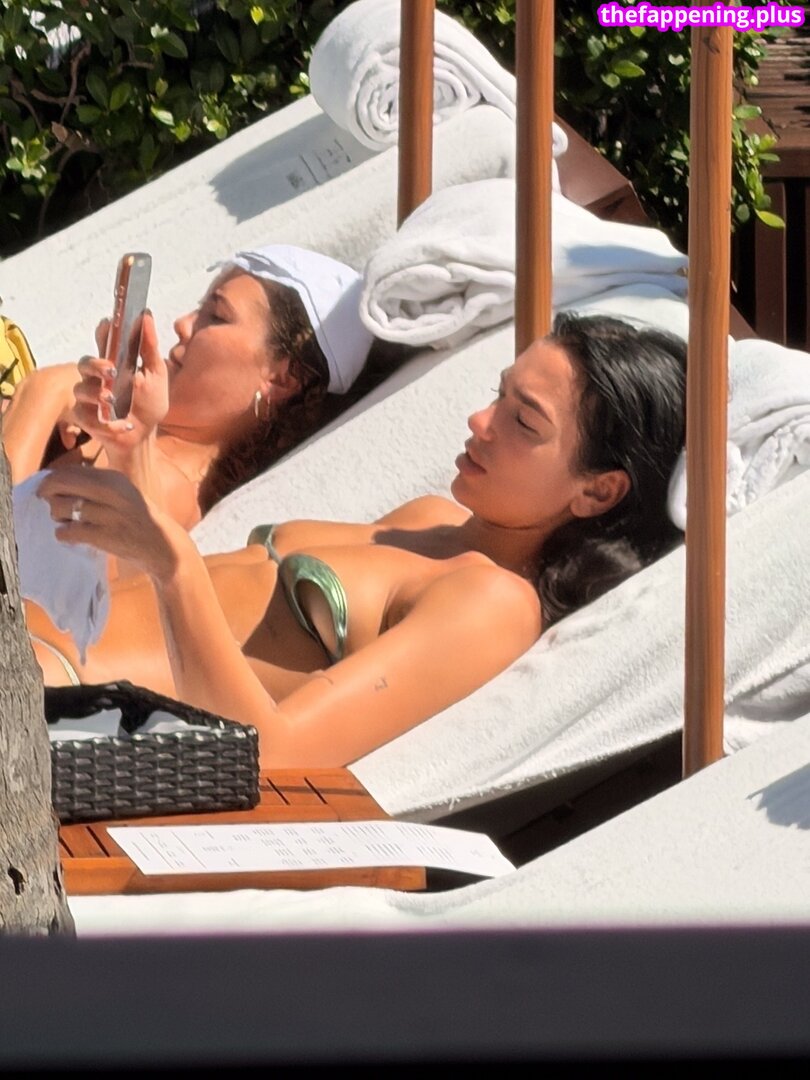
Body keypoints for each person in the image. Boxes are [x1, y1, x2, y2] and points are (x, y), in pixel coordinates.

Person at [28, 312, 687, 770]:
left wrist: (178, 568)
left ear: (597, 492)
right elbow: (145, 592)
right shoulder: (427, 519)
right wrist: (135, 445)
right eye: (499, 394)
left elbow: (275, 754)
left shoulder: (493, 604)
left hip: (56, 703)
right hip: (33, 637)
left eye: (523, 421)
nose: (480, 420)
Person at [5, 245, 377, 530]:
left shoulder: (167, 488)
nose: (183, 324)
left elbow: (13, 566)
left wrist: (44, 392)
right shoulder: (118, 437)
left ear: (281, 379)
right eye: (199, 308)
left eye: (216, 316)